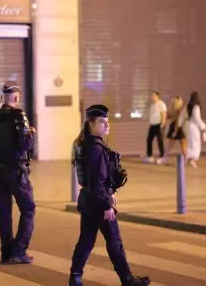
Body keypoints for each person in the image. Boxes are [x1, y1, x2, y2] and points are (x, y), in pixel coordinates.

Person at [69, 104, 151, 286]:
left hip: (89, 201)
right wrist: (107, 204)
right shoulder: (96, 149)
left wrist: (110, 192)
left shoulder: (86, 145)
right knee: (114, 242)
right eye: (102, 122)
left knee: (86, 242)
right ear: (91, 124)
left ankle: (75, 278)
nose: (106, 125)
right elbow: (97, 181)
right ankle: (127, 279)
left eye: (107, 122)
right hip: (98, 204)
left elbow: (94, 180)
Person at [0, 81, 36, 264]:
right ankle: (18, 251)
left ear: (2, 97)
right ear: (17, 97)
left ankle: (6, 252)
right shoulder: (19, 116)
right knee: (28, 210)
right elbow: (24, 145)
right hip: (16, 172)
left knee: (4, 213)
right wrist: (32, 135)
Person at [178, 91, 206, 168]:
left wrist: (180, 125)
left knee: (188, 143)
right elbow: (197, 118)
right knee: (195, 144)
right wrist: (203, 127)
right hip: (193, 127)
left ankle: (185, 159)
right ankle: (192, 160)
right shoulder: (196, 107)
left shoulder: (187, 106)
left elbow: (181, 116)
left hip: (186, 126)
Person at [143, 91, 167, 164]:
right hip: (152, 125)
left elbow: (164, 115)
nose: (152, 97)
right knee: (149, 140)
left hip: (159, 125)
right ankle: (149, 156)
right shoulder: (152, 105)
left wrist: (162, 125)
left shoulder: (161, 104)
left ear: (157, 96)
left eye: (153, 95)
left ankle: (162, 156)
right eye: (151, 96)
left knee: (160, 141)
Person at [162, 95, 187, 164]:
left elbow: (169, 118)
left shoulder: (173, 109)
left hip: (175, 127)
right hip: (178, 127)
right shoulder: (179, 110)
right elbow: (177, 121)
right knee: (182, 145)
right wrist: (175, 131)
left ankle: (165, 158)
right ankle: (185, 160)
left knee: (170, 145)